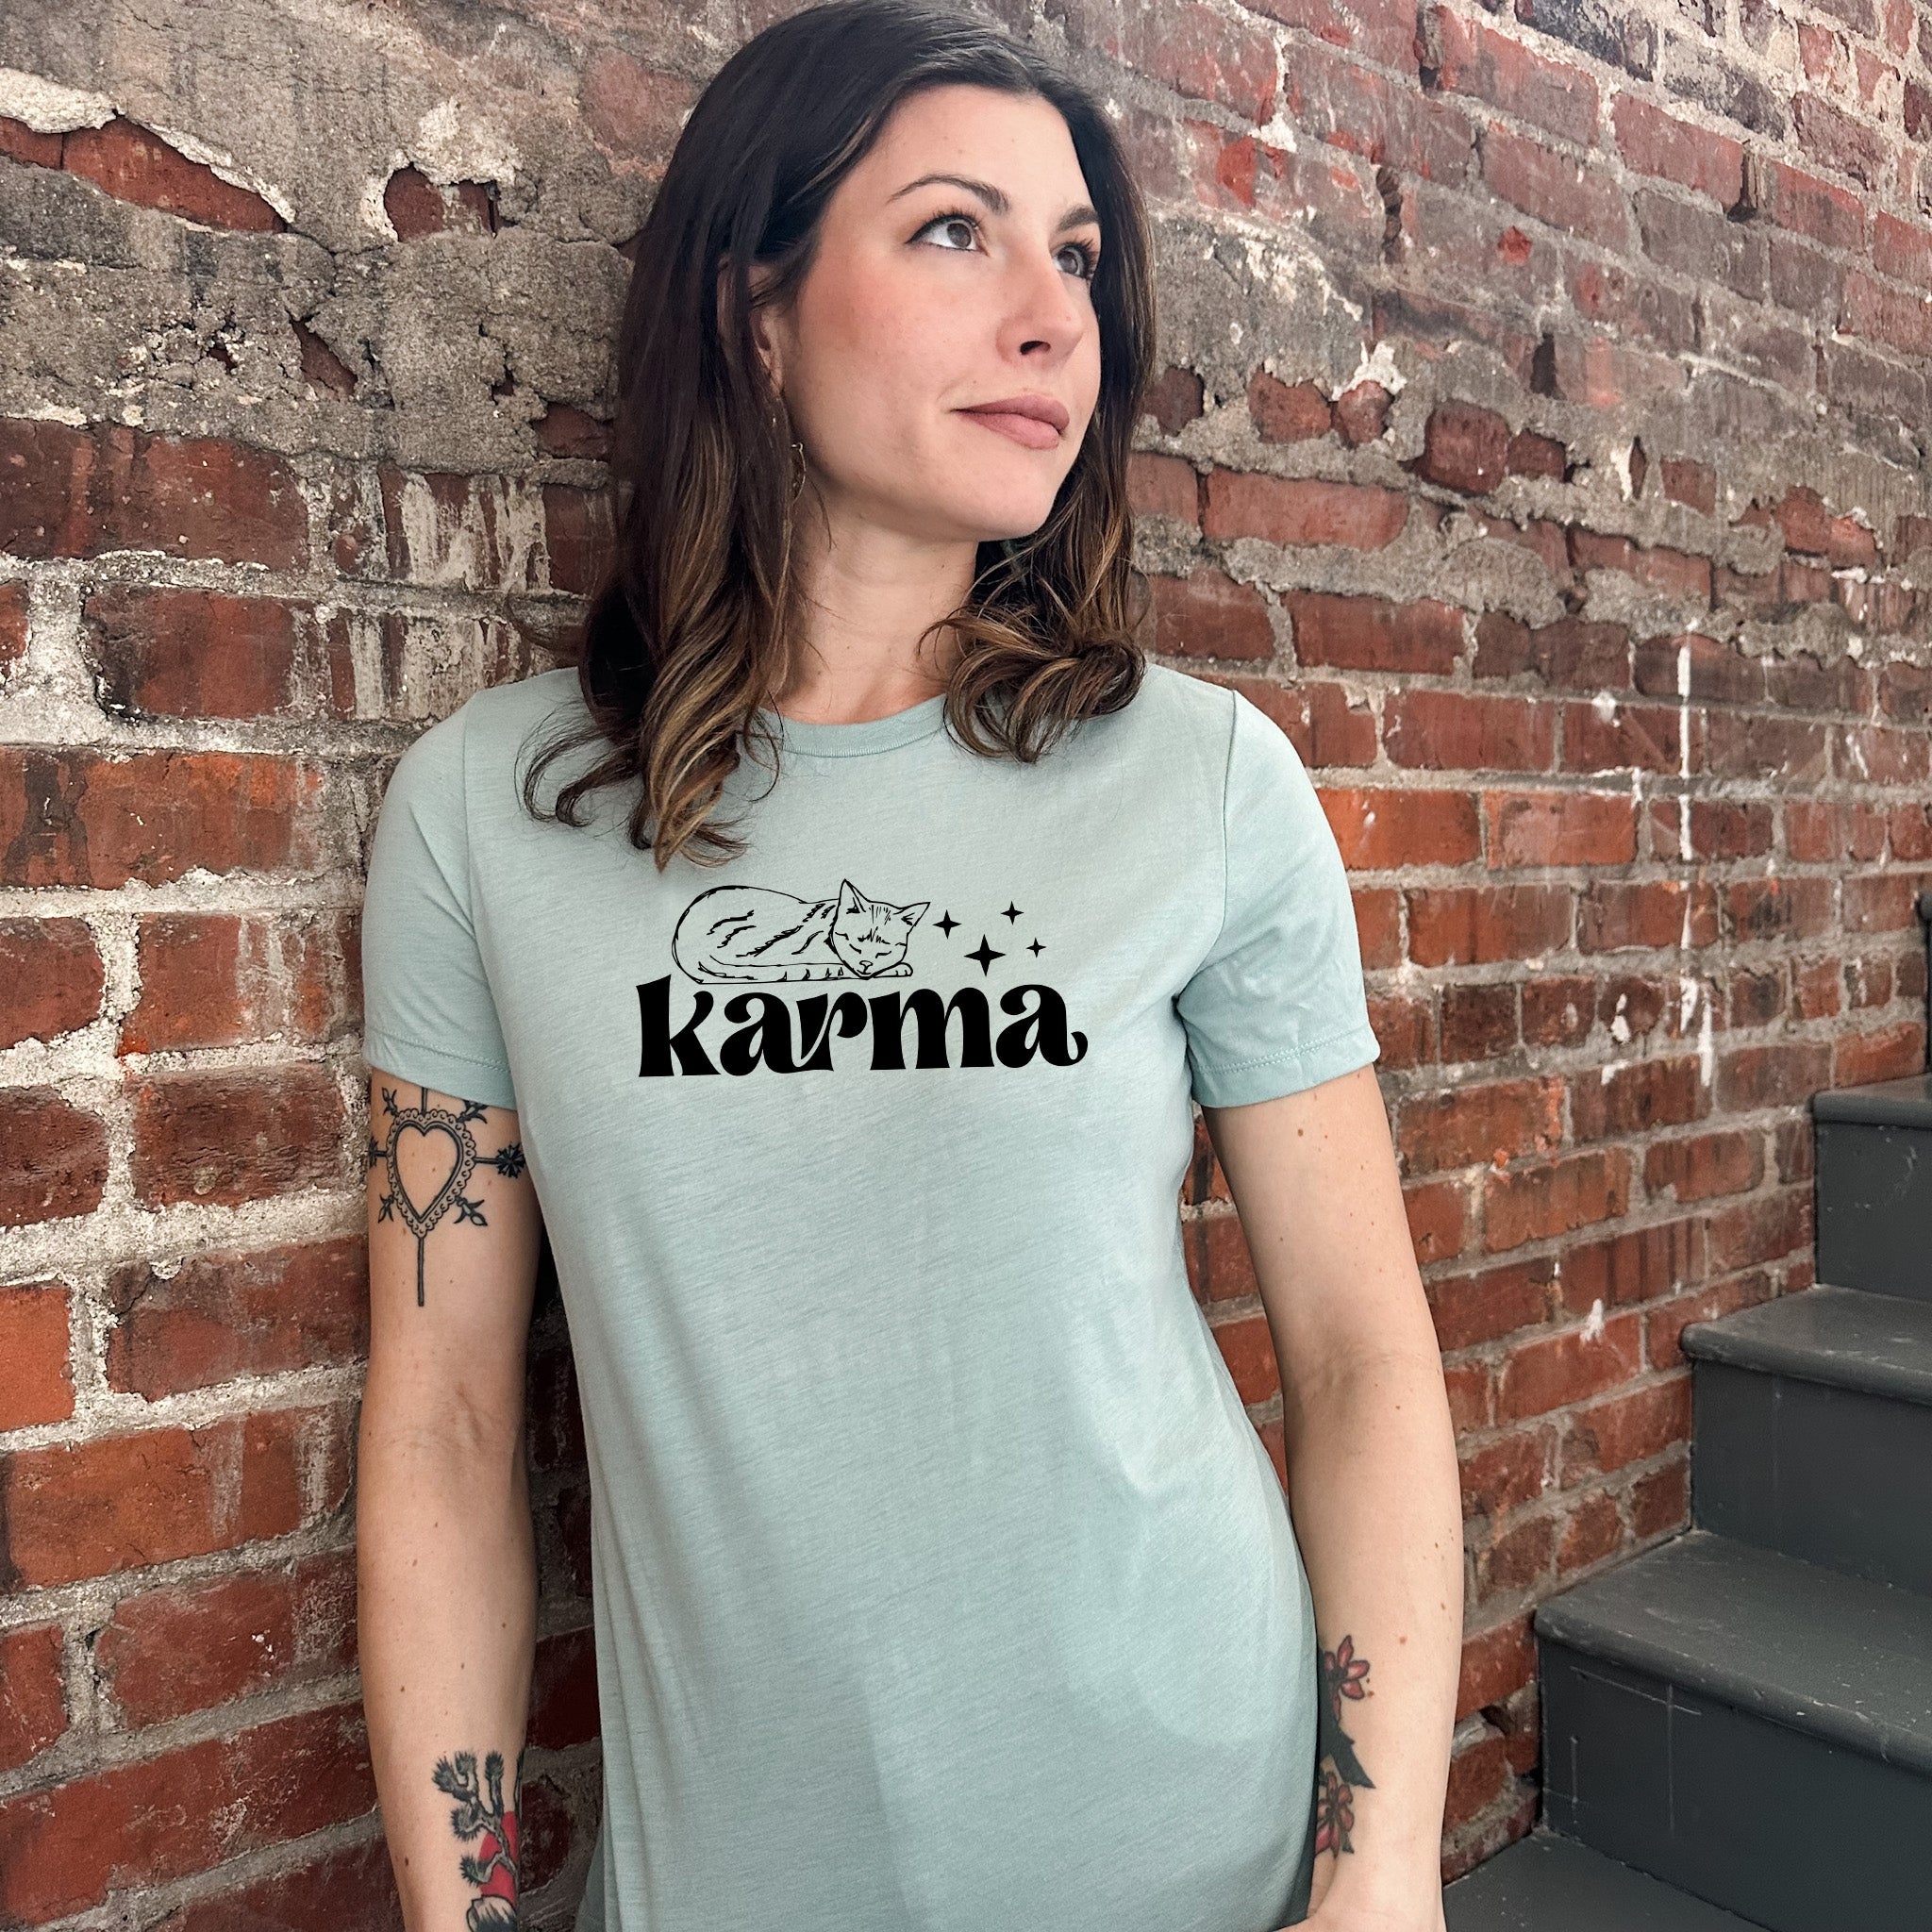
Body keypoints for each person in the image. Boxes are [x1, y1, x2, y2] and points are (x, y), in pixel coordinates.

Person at [355, 4, 1462, 1929]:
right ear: (753, 310)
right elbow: (445, 1425)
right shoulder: (488, 815)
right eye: (957, 231)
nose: (1052, 314)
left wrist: (1380, 1876)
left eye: (1080, 257)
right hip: (728, 1875)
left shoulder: (1200, 783)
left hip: (1182, 1829)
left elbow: (1361, 1358)